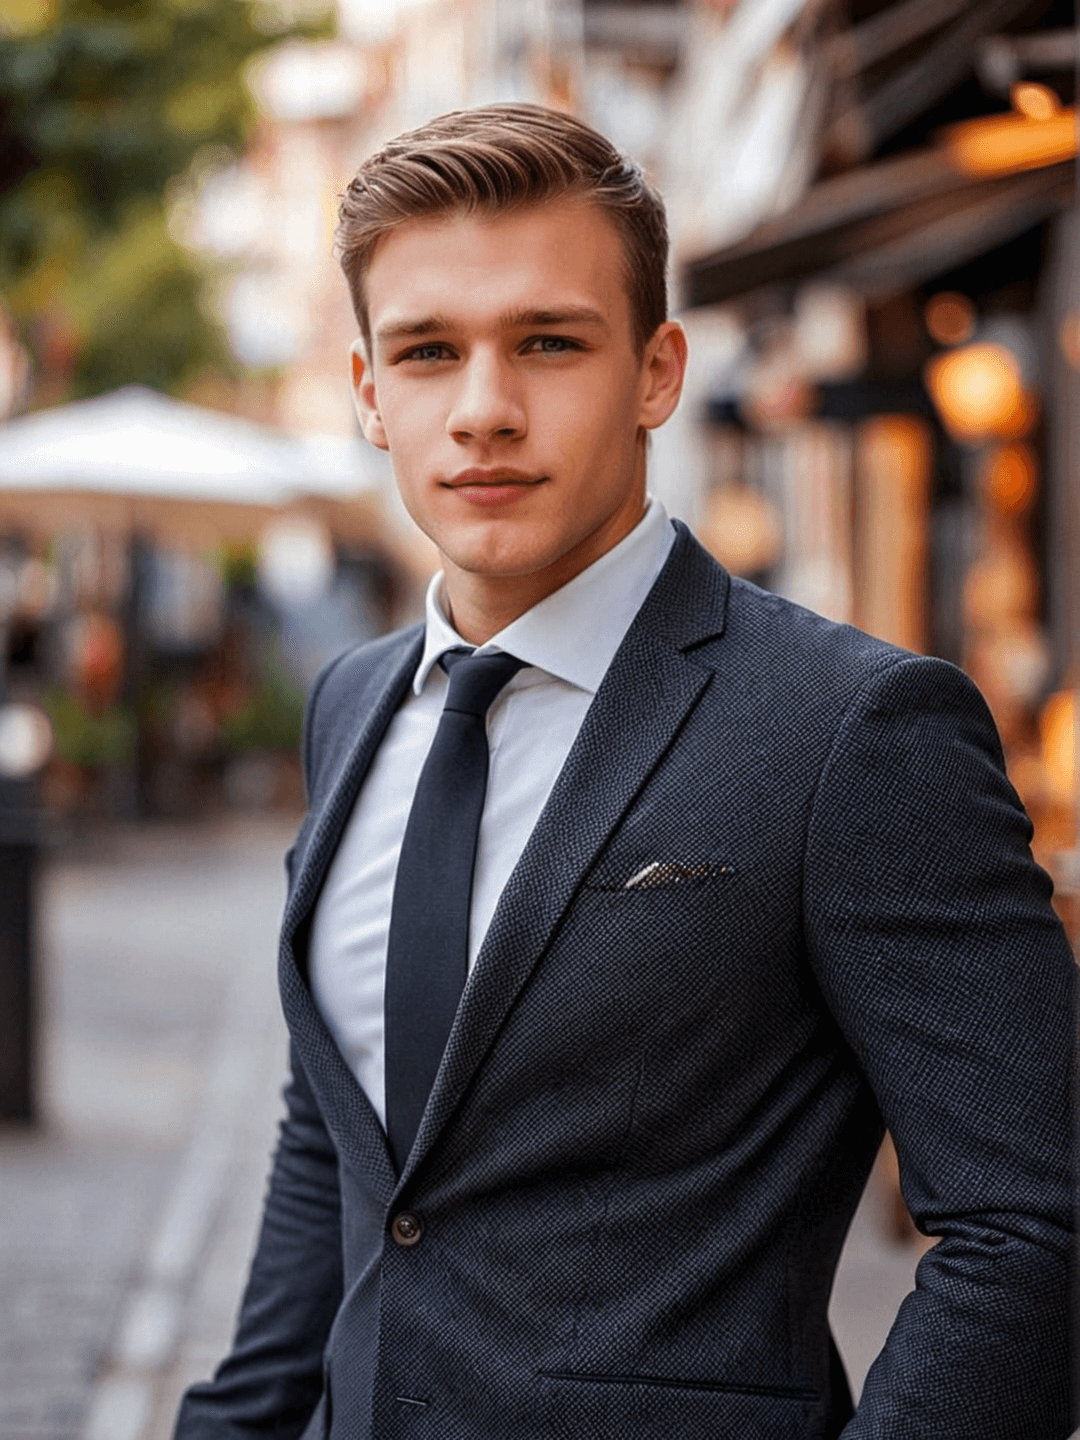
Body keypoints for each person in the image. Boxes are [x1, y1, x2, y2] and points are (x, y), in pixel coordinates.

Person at [175, 104, 1073, 1440]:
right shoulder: (353, 702)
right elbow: (345, 1142)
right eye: (428, 352)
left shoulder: (853, 732)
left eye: (548, 342)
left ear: (656, 372)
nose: (484, 409)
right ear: (370, 392)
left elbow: (1038, 1223)